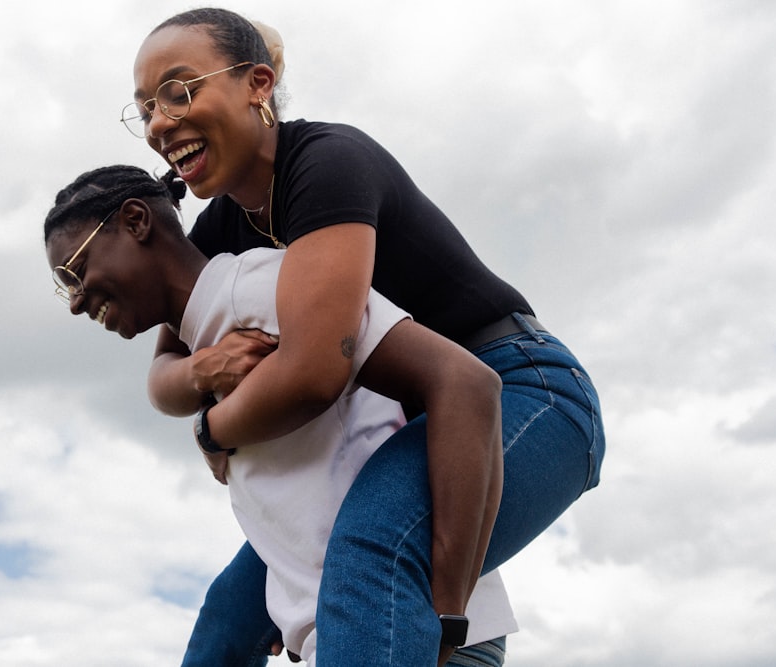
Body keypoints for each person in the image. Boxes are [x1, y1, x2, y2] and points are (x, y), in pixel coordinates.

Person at [124, 7, 606, 667]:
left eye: (178, 92)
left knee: (374, 549)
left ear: (257, 84)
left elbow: (318, 371)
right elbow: (163, 379)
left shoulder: (327, 163)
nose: (158, 122)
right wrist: (205, 374)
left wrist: (215, 429)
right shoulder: (220, 229)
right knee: (227, 616)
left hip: (531, 391)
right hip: (411, 425)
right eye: (145, 107)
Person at [44, 165, 518, 664]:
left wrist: (447, 619)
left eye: (75, 271)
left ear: (137, 221)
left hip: (407, 633)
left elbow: (466, 382)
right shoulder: (206, 337)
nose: (75, 302)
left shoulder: (261, 284)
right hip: (355, 632)